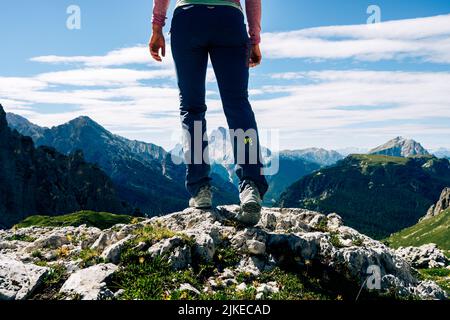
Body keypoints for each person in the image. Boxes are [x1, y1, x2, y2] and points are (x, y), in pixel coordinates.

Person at [149, 0, 268, 225]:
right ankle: (251, 185)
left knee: (192, 108)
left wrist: (157, 28)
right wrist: (254, 38)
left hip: (188, 18)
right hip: (229, 19)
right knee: (238, 105)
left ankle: (200, 188)